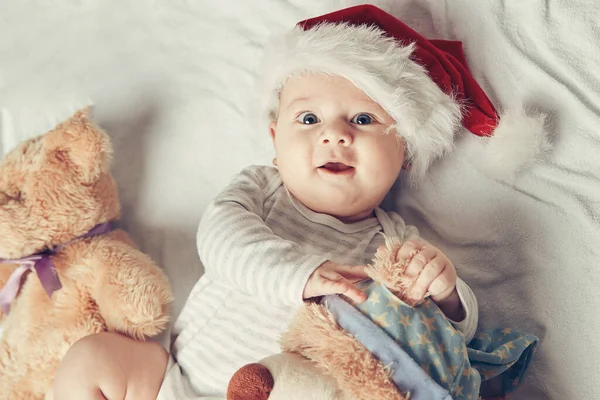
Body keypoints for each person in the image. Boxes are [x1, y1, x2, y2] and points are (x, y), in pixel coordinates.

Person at [53, 4, 548, 400]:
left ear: (404, 156)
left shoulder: (391, 240)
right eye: (308, 120)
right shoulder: (261, 190)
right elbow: (222, 241)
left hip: (292, 387)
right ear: (275, 139)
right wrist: (301, 275)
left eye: (363, 120)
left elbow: (438, 342)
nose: (334, 135)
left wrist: (447, 296)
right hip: (177, 381)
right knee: (93, 359)